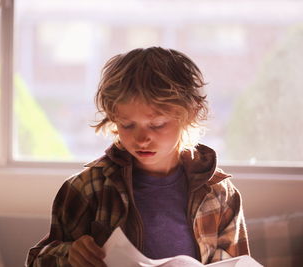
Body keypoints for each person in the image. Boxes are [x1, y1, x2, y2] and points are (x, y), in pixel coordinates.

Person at [26, 47, 250, 267]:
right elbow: (37, 260)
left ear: (189, 114)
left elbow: (236, 262)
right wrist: (69, 256)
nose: (142, 139)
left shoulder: (220, 194)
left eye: (157, 124)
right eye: (128, 125)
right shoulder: (87, 188)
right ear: (114, 118)